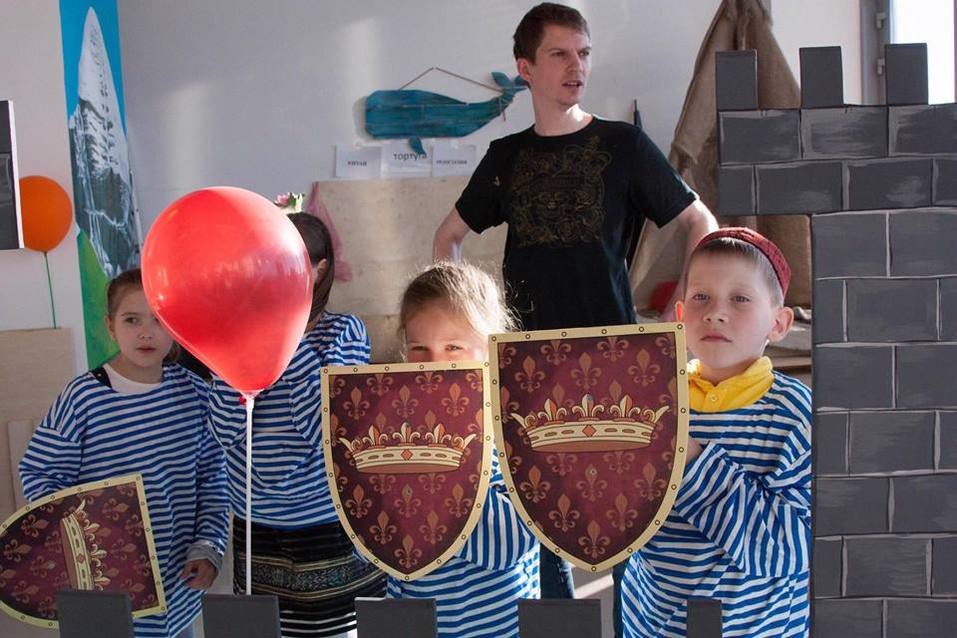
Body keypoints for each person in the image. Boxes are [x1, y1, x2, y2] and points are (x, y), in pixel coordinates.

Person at [432, 1, 717, 607]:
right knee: (541, 518)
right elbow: (446, 239)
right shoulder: (506, 157)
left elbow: (700, 222)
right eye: (560, 54)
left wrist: (681, 309)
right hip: (526, 367)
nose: (576, 66)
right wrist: (467, 329)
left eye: (584, 53)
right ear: (526, 68)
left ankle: (636, 621)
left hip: (617, 364)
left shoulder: (624, 145)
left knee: (626, 516)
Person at [620, 228, 812, 637]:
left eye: (740, 298)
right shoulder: (649, 400)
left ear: (779, 323)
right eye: (701, 296)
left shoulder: (796, 416)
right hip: (653, 622)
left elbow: (794, 549)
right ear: (679, 315)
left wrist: (690, 459)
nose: (715, 313)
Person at [20, 268, 229, 638]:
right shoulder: (82, 398)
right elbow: (41, 476)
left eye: (159, 320)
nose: (146, 332)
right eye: (132, 320)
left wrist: (208, 547)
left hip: (178, 589)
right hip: (104, 593)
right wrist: (89, 538)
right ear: (111, 326)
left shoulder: (196, 394)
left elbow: (214, 481)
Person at [207, 213, 385, 638]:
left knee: (337, 631)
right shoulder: (236, 333)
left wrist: (289, 335)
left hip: (326, 523)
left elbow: (324, 431)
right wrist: (241, 344)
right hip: (256, 525)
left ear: (319, 270)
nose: (270, 273)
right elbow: (225, 431)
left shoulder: (344, 332)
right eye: (266, 260)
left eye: (286, 261)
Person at [387, 261, 540, 637]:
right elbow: (370, 541)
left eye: (453, 347)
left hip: (500, 626)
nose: (434, 366)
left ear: (490, 349)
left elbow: (509, 546)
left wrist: (436, 475)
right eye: (419, 348)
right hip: (416, 620)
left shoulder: (515, 432)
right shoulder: (389, 431)